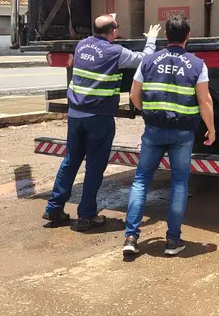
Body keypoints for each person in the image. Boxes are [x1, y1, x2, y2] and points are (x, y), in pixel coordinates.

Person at [43, 15, 161, 231]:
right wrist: (151, 39)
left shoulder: (81, 45)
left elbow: (101, 37)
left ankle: (54, 207)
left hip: (75, 115)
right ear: (113, 31)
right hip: (98, 118)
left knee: (70, 161)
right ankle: (86, 215)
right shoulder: (115, 52)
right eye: (116, 28)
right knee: (94, 167)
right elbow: (144, 60)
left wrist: (110, 20)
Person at [122, 15, 215, 257]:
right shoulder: (197, 64)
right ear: (188, 35)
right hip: (183, 134)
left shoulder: (149, 61)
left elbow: (134, 95)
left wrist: (149, 112)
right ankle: (173, 241)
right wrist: (211, 129)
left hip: (153, 131)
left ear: (165, 35)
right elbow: (204, 101)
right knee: (179, 184)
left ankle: (131, 237)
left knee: (141, 180)